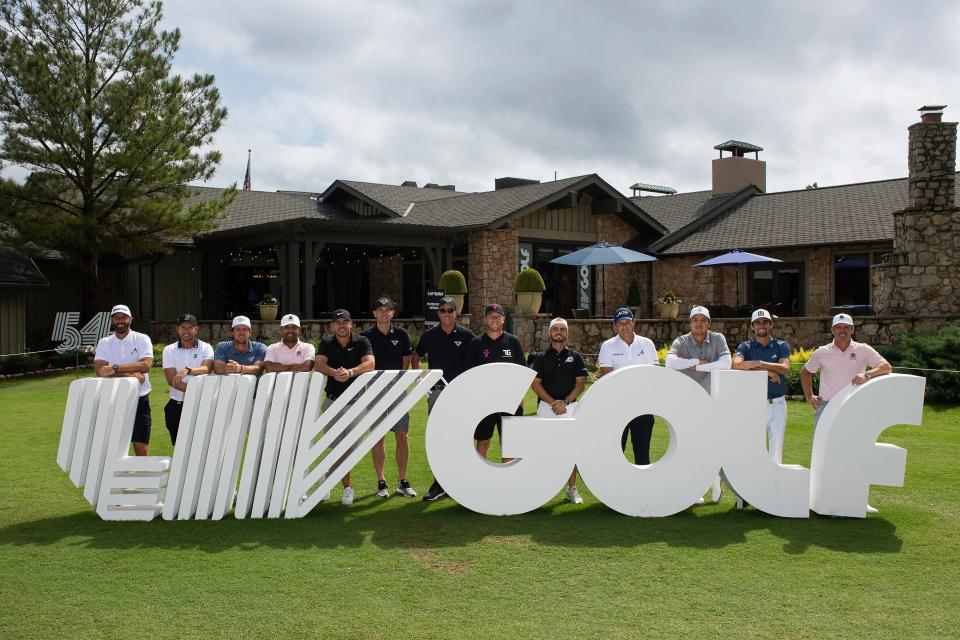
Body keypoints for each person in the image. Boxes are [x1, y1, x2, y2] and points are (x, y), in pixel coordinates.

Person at [801, 313, 892, 514]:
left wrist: (867, 374)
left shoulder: (863, 350)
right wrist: (809, 396)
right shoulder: (822, 352)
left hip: (854, 409)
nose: (842, 331)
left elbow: (886, 367)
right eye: (838, 327)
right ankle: (817, 497)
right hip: (826, 407)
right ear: (833, 330)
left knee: (856, 452)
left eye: (846, 327)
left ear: (852, 330)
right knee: (822, 453)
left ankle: (859, 498)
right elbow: (806, 372)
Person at [412, 296, 476, 502]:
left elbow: (476, 362)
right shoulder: (429, 336)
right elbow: (416, 356)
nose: (446, 314)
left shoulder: (467, 336)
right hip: (437, 393)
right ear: (438, 313)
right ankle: (439, 482)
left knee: (462, 436)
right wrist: (420, 381)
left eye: (450, 310)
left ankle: (460, 481)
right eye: (443, 310)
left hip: (461, 393)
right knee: (439, 437)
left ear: (456, 313)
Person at [666, 305, 731, 503]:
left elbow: (726, 363)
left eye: (703, 320)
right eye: (696, 320)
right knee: (688, 445)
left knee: (709, 443)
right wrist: (694, 361)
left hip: (712, 401)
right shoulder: (681, 340)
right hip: (687, 401)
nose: (699, 324)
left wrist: (701, 365)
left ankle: (712, 479)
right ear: (690, 323)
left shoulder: (718, 338)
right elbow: (670, 362)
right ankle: (695, 487)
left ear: (709, 323)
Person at [732, 309, 791, 509]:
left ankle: (772, 491)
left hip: (777, 404)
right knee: (752, 449)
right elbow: (737, 365)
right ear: (752, 327)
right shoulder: (745, 346)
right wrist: (767, 370)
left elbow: (784, 368)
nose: (761, 326)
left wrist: (759, 364)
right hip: (753, 405)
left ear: (771, 325)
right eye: (758, 323)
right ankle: (749, 492)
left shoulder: (781, 345)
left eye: (765, 323)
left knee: (775, 451)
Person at [314, 309, 375, 505]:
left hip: (356, 402)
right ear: (333, 325)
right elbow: (319, 364)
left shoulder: (361, 341)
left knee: (352, 447)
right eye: (337, 322)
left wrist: (350, 372)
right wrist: (334, 373)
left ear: (351, 324)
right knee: (337, 447)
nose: (341, 325)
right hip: (332, 401)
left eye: (345, 322)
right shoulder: (326, 341)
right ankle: (347, 488)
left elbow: (370, 363)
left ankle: (328, 475)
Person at [360, 298, 417, 498]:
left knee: (402, 435)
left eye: (388, 310)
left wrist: (397, 383)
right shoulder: (365, 337)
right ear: (374, 313)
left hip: (397, 389)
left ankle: (403, 481)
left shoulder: (401, 334)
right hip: (375, 390)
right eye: (380, 310)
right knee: (378, 436)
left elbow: (406, 361)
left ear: (393, 313)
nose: (384, 314)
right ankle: (381, 482)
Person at [531, 317, 587, 503]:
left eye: (562, 329)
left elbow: (580, 384)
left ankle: (571, 489)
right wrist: (553, 403)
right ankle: (543, 489)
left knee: (570, 450)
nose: (559, 332)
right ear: (549, 333)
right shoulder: (540, 357)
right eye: (555, 329)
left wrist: (565, 402)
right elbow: (535, 384)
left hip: (570, 408)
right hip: (546, 408)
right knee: (544, 449)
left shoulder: (575, 357)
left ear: (567, 333)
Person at [597, 307, 659, 466]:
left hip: (643, 406)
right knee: (616, 453)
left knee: (642, 454)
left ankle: (643, 489)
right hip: (617, 407)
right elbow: (608, 377)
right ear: (615, 326)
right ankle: (614, 489)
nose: (624, 326)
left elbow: (652, 375)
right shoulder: (608, 346)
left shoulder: (647, 344)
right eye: (620, 323)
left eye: (627, 322)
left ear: (634, 323)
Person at [465, 303, 527, 460]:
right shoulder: (476, 344)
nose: (494, 319)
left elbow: (522, 373)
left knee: (509, 445)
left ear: (503, 319)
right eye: (491, 316)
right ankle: (479, 480)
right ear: (485, 319)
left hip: (510, 401)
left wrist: (520, 398)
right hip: (484, 402)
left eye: (498, 316)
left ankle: (508, 482)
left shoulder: (513, 342)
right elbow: (470, 375)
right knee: (483, 442)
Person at [93, 304, 153, 456]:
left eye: (123, 317)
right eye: (116, 317)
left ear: (130, 319)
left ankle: (142, 479)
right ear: (112, 320)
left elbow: (145, 365)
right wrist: (129, 375)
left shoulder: (142, 338)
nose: (120, 320)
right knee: (114, 447)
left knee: (141, 446)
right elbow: (100, 370)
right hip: (113, 398)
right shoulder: (104, 342)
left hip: (139, 398)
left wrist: (115, 368)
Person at [161, 313, 214, 445]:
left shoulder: (206, 347)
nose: (186, 331)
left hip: (200, 404)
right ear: (177, 329)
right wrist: (196, 391)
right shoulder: (169, 350)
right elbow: (171, 380)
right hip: (177, 404)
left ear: (196, 329)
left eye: (190, 327)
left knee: (201, 444)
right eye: (183, 327)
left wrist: (187, 370)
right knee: (179, 446)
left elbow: (206, 369)